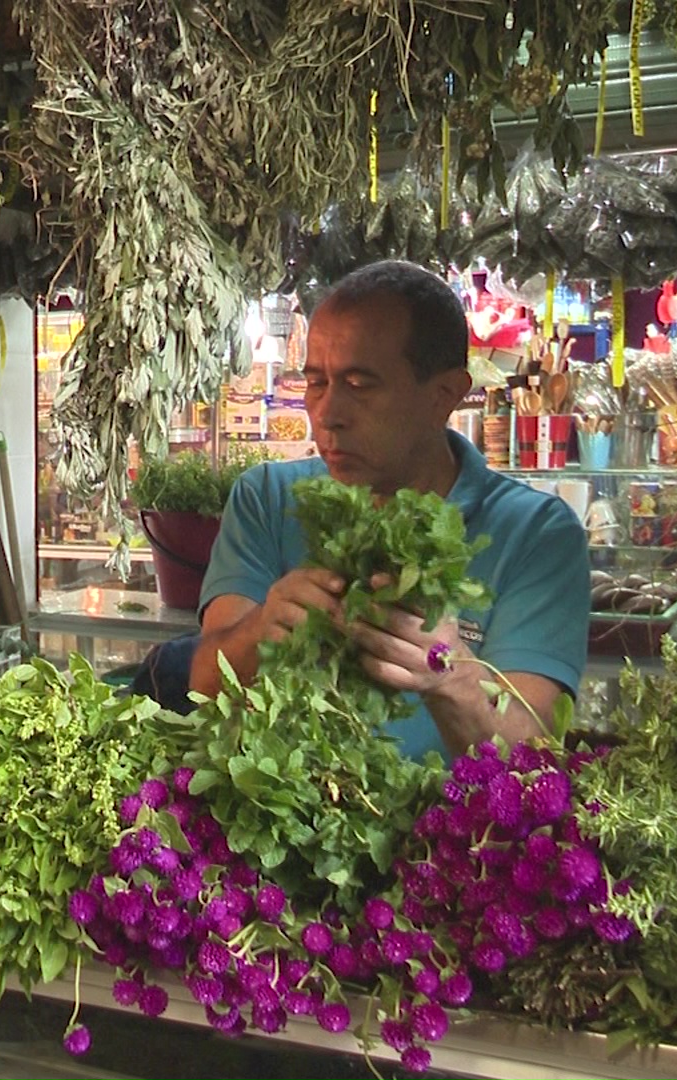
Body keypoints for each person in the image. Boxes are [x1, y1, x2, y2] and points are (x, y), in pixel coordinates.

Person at [186, 260, 589, 759]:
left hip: (444, 833)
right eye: (316, 383)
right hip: (285, 828)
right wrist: (264, 626)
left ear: (444, 395)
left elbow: (535, 752)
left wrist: (449, 673)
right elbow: (204, 687)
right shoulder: (266, 498)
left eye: (359, 385)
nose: (327, 415)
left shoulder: (537, 534)